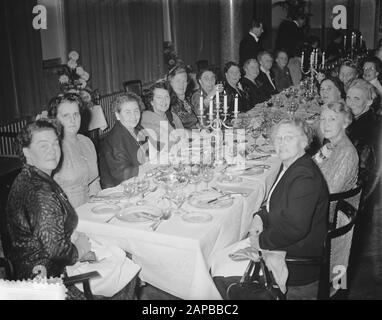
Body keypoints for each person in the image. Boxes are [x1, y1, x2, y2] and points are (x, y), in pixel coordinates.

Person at [5, 119, 138, 299]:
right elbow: (57, 251)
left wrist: (76, 240)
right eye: (43, 145)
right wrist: (81, 250)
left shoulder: (31, 177)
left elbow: (50, 230)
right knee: (126, 264)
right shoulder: (39, 192)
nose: (52, 150)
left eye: (55, 143)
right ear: (26, 152)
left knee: (116, 251)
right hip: (49, 278)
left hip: (34, 266)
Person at [212, 118, 329, 300]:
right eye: (278, 138)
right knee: (219, 256)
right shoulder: (291, 165)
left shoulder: (305, 177)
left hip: (296, 258)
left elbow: (294, 228)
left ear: (304, 142)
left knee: (220, 270)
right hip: (284, 242)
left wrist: (260, 242)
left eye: (288, 138)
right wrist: (260, 216)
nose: (281, 143)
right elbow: (275, 203)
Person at [48, 93, 101, 208]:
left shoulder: (87, 142)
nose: (73, 120)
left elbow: (94, 181)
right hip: (67, 212)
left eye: (76, 114)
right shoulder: (52, 148)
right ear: (55, 119)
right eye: (66, 115)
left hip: (91, 208)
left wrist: (97, 202)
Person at [99, 92, 149, 188]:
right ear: (117, 115)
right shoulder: (113, 140)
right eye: (128, 112)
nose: (133, 116)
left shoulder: (138, 129)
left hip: (141, 180)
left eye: (136, 111)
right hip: (122, 189)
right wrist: (149, 166)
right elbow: (122, 174)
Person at [346, 79, 380, 196]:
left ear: (369, 102)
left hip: (360, 192)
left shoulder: (365, 130)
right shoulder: (359, 120)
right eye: (348, 97)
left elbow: (362, 169)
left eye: (357, 98)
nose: (350, 103)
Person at [141, 81, 184, 151]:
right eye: (159, 97)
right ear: (151, 101)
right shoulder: (146, 118)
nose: (164, 101)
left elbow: (183, 134)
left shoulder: (172, 116)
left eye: (167, 97)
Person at [167, 64, 199, 129]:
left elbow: (194, 122)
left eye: (184, 81)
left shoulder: (186, 101)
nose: (181, 85)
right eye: (178, 81)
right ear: (170, 82)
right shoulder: (169, 104)